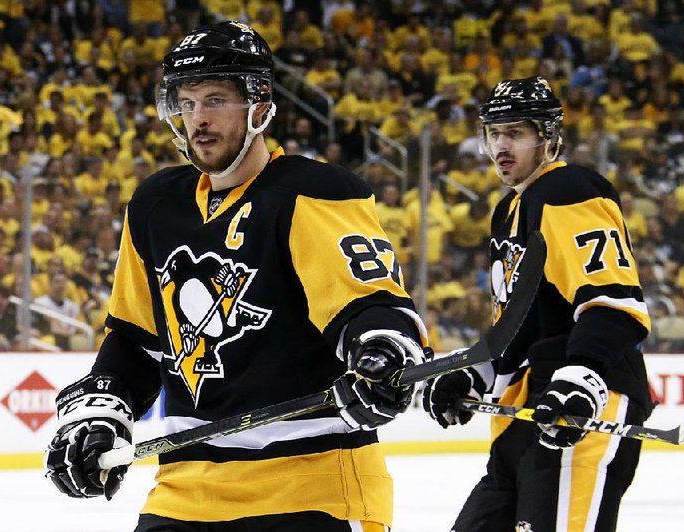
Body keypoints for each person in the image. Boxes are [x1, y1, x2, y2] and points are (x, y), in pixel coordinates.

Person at [44, 21, 428, 532]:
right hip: (185, 491)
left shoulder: (311, 191)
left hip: (312, 486)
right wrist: (103, 407)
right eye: (186, 102)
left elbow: (369, 307)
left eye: (215, 99)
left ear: (259, 104)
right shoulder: (156, 204)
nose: (197, 119)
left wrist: (383, 351)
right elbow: (136, 341)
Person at [422, 76, 653, 532]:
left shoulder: (568, 190)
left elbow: (612, 299)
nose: (501, 146)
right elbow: (519, 322)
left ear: (548, 138)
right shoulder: (509, 209)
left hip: (583, 403)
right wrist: (475, 373)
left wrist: (583, 373)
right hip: (528, 409)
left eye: (517, 133)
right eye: (494, 133)